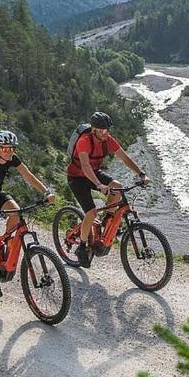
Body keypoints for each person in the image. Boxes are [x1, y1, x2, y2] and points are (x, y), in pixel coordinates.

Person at [0, 129, 55, 299]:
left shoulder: (12, 159)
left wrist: (46, 192)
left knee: (15, 213)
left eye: (11, 148)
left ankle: (6, 242)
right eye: (5, 148)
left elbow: (28, 176)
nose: (9, 152)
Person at [66, 111, 149, 268]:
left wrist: (141, 174)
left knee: (117, 187)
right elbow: (85, 165)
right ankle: (82, 247)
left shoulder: (107, 140)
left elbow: (124, 157)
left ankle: (107, 220)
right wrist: (99, 185)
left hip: (95, 173)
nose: (106, 133)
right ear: (94, 130)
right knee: (91, 212)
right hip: (77, 177)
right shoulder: (84, 141)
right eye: (103, 130)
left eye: (107, 130)